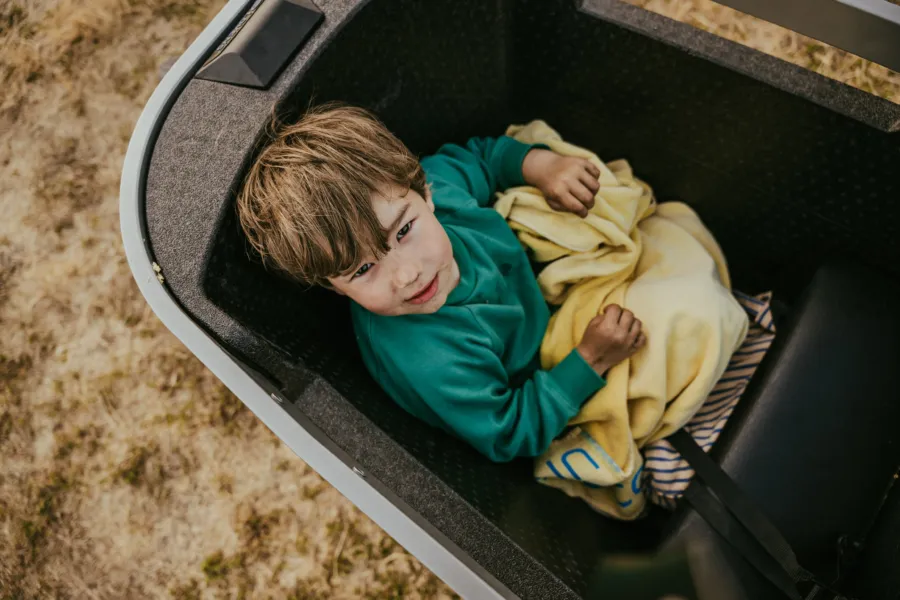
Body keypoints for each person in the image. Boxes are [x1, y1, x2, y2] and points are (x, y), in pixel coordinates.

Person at [237, 103, 646, 462]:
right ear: (333, 288)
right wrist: (591, 359)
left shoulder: (439, 187)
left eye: (403, 232)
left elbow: (483, 158)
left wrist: (541, 166)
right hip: (544, 372)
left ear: (424, 192)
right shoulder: (431, 358)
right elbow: (508, 432)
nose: (405, 274)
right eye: (361, 271)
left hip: (545, 298)